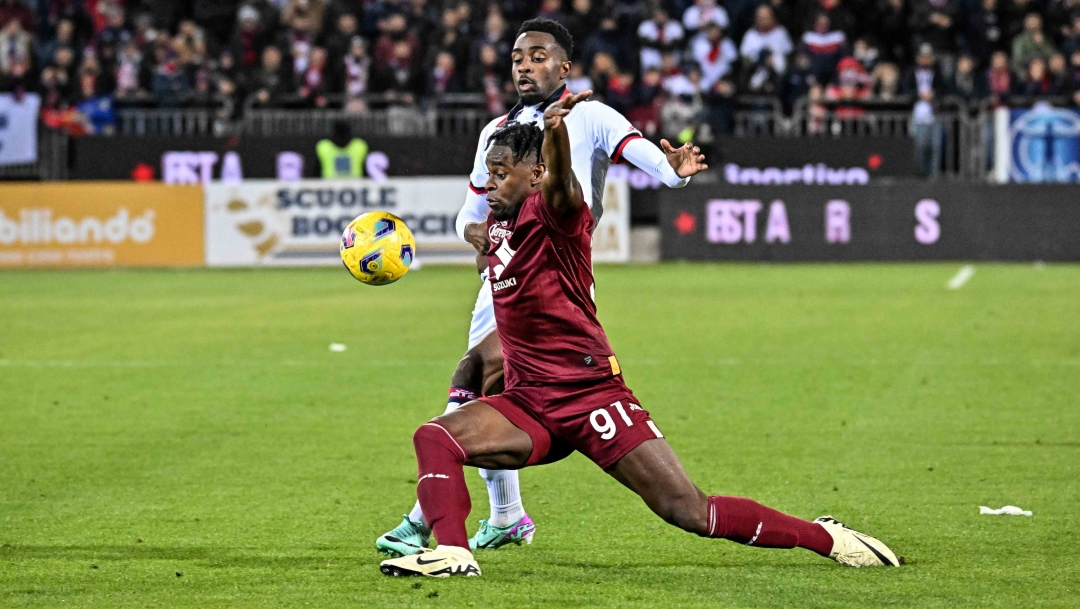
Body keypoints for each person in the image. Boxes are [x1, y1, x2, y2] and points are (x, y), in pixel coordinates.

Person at [377, 91, 902, 578]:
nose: (488, 184)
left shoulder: (555, 212)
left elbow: (562, 186)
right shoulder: (497, 226)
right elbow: (479, 233)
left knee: (689, 511)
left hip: (590, 396)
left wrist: (556, 135)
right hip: (531, 402)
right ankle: (452, 551)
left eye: (500, 174)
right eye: (487, 173)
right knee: (435, 435)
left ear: (535, 173)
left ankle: (825, 538)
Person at [375, 18, 708, 559]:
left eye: (537, 56)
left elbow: (652, 162)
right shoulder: (494, 132)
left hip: (555, 272)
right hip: (503, 272)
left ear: (564, 66)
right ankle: (500, 515)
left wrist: (675, 171)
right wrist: (473, 231)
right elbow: (469, 213)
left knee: (486, 380)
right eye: (516, 58)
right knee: (476, 378)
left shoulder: (592, 116)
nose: (525, 66)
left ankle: (434, 518)